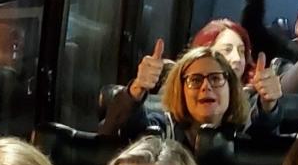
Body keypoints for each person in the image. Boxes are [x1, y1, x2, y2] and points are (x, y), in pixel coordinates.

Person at [99, 39, 282, 142]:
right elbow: (115, 132)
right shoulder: (164, 129)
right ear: (180, 90)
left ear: (231, 88)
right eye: (195, 80)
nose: (206, 86)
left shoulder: (243, 130)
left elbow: (263, 135)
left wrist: (268, 105)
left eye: (215, 78)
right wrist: (137, 88)